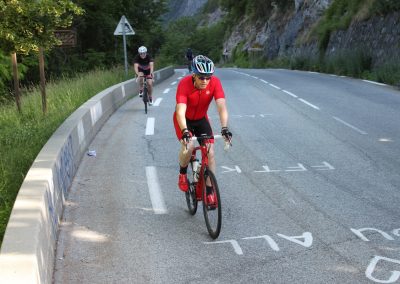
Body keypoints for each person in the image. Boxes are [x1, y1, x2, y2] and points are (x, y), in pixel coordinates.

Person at [173, 55, 232, 205]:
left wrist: (224, 127)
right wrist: (185, 131)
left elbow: (221, 107)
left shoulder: (215, 83)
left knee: (210, 152)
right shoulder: (184, 84)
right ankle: (182, 173)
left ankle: (210, 192)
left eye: (208, 77)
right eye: (201, 77)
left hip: (201, 119)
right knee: (189, 146)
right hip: (184, 120)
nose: (205, 81)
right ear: (193, 75)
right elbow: (180, 111)